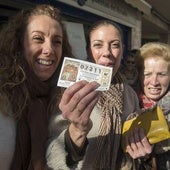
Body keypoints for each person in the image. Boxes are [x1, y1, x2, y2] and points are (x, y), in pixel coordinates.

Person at [46, 20, 140, 170]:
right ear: (88, 50)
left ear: (122, 50)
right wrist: (77, 131)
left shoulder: (130, 95)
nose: (107, 52)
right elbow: (51, 151)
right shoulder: (69, 90)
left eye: (115, 45)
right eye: (98, 45)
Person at [0, 4, 74, 170]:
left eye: (57, 42)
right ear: (19, 44)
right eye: (38, 39)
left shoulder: (64, 98)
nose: (48, 49)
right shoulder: (3, 94)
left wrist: (79, 131)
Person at [125, 42, 170, 169]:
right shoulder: (125, 104)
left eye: (162, 74)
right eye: (147, 74)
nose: (154, 82)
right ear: (138, 74)